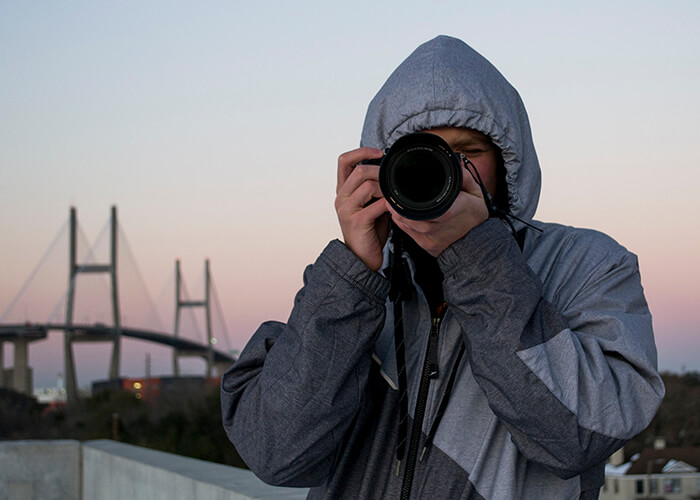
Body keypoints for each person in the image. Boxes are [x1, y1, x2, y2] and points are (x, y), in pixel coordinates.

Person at [220, 35, 664, 499]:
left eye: (466, 151)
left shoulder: (587, 265)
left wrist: (478, 259)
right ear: (381, 168)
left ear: (506, 162)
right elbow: (275, 454)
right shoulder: (357, 287)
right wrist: (352, 273)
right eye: (422, 154)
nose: (444, 170)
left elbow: (582, 437)